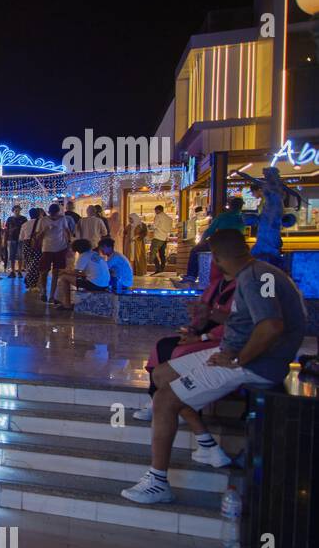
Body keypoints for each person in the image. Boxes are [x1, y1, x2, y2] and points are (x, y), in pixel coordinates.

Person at [123, 229, 307, 504]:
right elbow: (247, 319)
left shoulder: (254, 279)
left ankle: (158, 482)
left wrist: (239, 358)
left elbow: (271, 326)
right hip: (232, 352)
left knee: (164, 400)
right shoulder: (257, 272)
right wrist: (211, 314)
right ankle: (207, 444)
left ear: (218, 258)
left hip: (254, 363)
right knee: (162, 375)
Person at [131, 262, 237, 423]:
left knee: (180, 353)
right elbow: (202, 314)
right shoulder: (216, 286)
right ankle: (156, 400)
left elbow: (237, 323)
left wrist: (202, 336)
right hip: (204, 334)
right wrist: (192, 329)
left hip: (222, 339)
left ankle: (180, 405)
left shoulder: (243, 287)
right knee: (163, 346)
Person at [52, 238, 109, 310]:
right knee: (71, 277)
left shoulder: (84, 256)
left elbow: (77, 272)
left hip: (95, 284)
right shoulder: (94, 254)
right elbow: (84, 272)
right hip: (104, 284)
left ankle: (67, 305)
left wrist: (64, 271)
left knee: (64, 277)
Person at [34, 203, 74, 304]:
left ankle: (52, 295)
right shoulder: (43, 220)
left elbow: (67, 231)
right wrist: (45, 230)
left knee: (56, 272)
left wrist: (69, 244)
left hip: (61, 248)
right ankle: (43, 291)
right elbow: (38, 236)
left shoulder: (62, 219)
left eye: (55, 214)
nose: (54, 217)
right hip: (47, 248)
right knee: (44, 271)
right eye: (52, 214)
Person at [21, 207, 45, 289]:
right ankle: (31, 281)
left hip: (26, 244)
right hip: (37, 244)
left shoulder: (25, 224)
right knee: (36, 264)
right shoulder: (41, 222)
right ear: (38, 214)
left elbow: (21, 237)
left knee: (29, 263)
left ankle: (30, 281)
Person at [5, 205, 27, 277]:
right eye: (16, 210)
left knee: (20, 255)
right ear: (13, 211)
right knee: (12, 255)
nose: (17, 212)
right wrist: (5, 239)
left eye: (18, 210)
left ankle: (20, 271)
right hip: (11, 239)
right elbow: (7, 229)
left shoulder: (23, 218)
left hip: (20, 239)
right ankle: (13, 271)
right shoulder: (9, 219)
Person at [150, 204, 173, 272]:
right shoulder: (169, 218)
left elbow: (154, 226)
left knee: (153, 252)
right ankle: (162, 268)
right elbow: (169, 229)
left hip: (158, 237)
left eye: (155, 210)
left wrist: (151, 227)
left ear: (158, 210)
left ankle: (158, 268)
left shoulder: (158, 216)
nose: (155, 212)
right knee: (162, 254)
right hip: (165, 238)